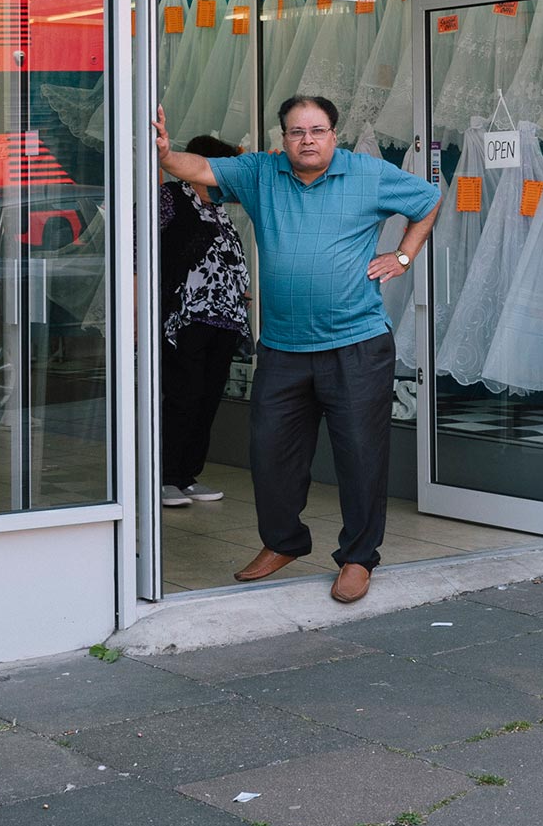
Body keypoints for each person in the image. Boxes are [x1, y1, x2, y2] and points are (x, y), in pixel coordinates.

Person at [155, 94, 441, 604]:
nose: (307, 140)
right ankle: (283, 542)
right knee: (270, 453)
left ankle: (358, 557)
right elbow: (197, 167)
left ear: (334, 134)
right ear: (283, 137)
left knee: (361, 458)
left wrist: (403, 255)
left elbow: (428, 199)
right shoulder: (261, 173)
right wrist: (164, 153)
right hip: (283, 348)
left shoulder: (368, 174)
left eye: (316, 130)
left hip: (356, 343)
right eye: (296, 132)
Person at [158, 135, 250, 509]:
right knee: (184, 395)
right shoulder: (170, 197)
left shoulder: (218, 208)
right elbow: (136, 244)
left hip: (225, 319)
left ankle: (187, 475)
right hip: (186, 317)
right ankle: (166, 476)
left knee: (208, 397)